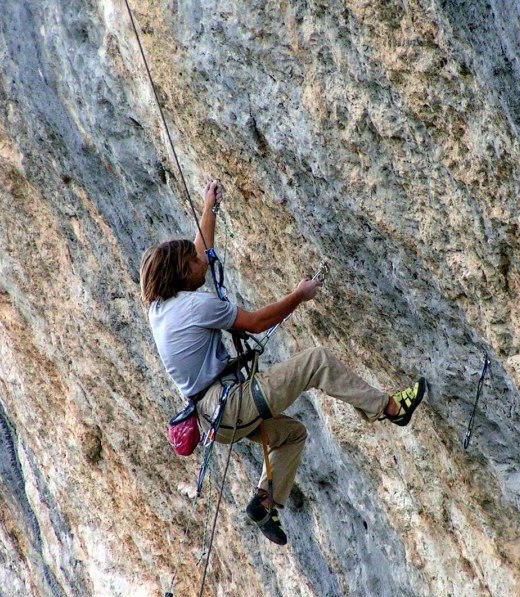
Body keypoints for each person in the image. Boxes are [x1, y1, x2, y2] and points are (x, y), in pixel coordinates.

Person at [140, 179, 427, 545]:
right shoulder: (196, 306)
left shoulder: (159, 309)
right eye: (194, 263)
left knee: (292, 434)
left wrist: (208, 207)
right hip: (231, 406)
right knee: (316, 361)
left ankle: (264, 502)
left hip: (215, 421)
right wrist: (299, 295)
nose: (203, 262)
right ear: (181, 275)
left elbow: (197, 252)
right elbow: (258, 322)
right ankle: (390, 408)